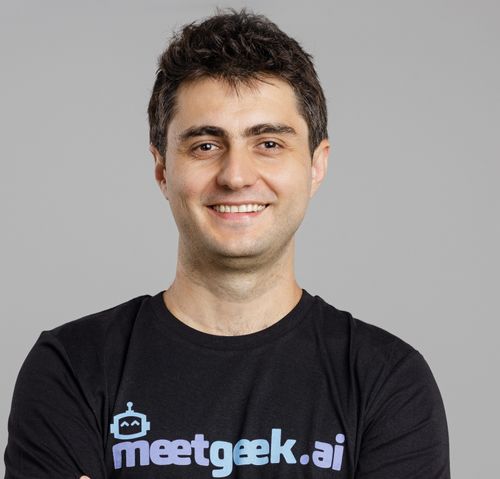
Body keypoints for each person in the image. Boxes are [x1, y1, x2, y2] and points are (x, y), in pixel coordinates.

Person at [4, 9, 450, 479]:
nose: (236, 176)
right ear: (162, 169)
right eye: (205, 145)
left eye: (269, 144)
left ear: (316, 165)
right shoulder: (72, 367)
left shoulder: (387, 380)